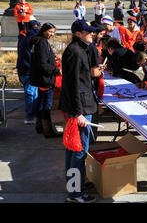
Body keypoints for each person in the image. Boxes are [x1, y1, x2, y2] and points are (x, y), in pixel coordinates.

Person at [60, 20, 102, 204]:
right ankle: (75, 192)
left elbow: (81, 79)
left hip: (81, 107)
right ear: (78, 33)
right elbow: (72, 85)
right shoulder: (76, 51)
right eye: (88, 32)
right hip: (81, 109)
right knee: (78, 151)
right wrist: (78, 113)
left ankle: (74, 185)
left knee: (74, 149)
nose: (92, 34)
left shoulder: (80, 49)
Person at [29, 23, 61, 138]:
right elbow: (43, 64)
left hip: (40, 78)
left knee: (41, 102)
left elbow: (40, 59)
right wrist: (56, 70)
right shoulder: (42, 42)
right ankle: (47, 130)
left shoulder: (37, 41)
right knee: (46, 105)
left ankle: (39, 126)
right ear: (43, 30)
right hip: (45, 79)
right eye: (50, 31)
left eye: (53, 32)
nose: (52, 34)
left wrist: (52, 57)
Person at [17, 20, 40, 125]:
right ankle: (30, 116)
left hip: (24, 70)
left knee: (33, 93)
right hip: (28, 71)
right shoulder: (31, 39)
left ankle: (33, 114)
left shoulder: (22, 38)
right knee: (31, 93)